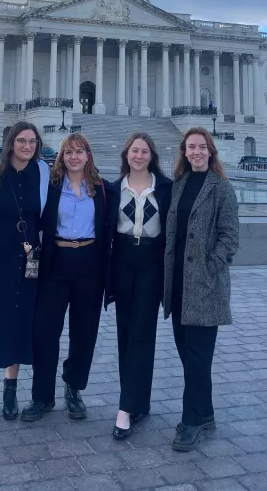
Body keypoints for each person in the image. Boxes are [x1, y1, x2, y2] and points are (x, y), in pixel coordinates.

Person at [21, 132, 107, 422]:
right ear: (61, 156)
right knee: (44, 332)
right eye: (68, 152)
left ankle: (74, 389)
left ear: (87, 155)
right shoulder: (51, 188)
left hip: (89, 263)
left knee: (84, 333)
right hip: (55, 262)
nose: (74, 157)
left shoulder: (102, 189)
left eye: (79, 151)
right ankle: (42, 396)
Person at [163, 127, 239, 452]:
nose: (196, 152)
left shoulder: (222, 188)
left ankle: (190, 422)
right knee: (189, 355)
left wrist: (209, 268)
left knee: (197, 357)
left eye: (201, 147)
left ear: (211, 151)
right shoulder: (179, 185)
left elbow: (230, 237)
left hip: (204, 287)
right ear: (184, 152)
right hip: (179, 284)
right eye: (190, 147)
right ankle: (205, 412)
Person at [0, 121, 50, 422]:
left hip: (30, 257)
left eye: (32, 142)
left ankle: (11, 387)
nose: (27, 147)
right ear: (10, 143)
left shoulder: (43, 172)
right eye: (21, 141)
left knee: (22, 319)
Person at [105, 132, 172, 440]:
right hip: (122, 259)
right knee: (125, 332)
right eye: (135, 150)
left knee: (142, 332)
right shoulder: (114, 188)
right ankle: (137, 402)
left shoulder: (166, 188)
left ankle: (126, 407)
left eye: (144, 151)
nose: (139, 155)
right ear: (127, 154)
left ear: (151, 156)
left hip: (150, 262)